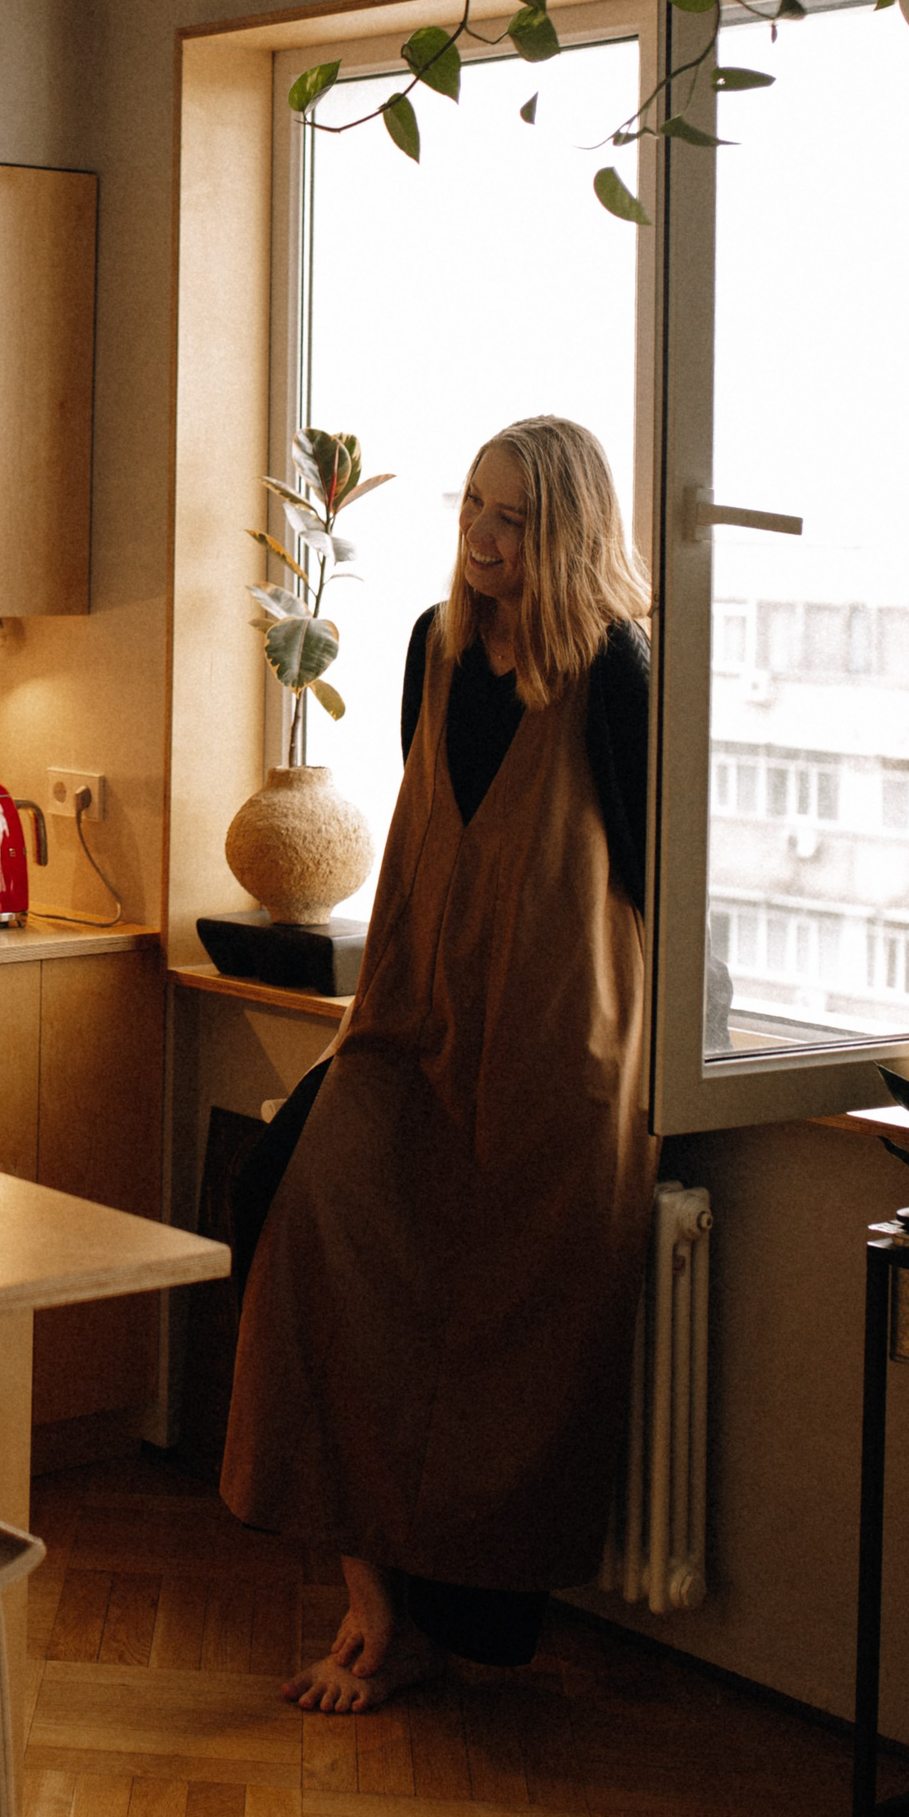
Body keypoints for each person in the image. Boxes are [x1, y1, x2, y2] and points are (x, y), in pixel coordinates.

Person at [221, 415, 658, 1712]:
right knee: (287, 1209)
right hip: (411, 1023)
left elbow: (654, 877)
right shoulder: (433, 644)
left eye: (513, 517)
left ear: (567, 531)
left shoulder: (617, 670)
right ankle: (371, 1601)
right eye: (474, 504)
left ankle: (426, 1630)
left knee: (501, 1337)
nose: (482, 535)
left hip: (551, 1049)